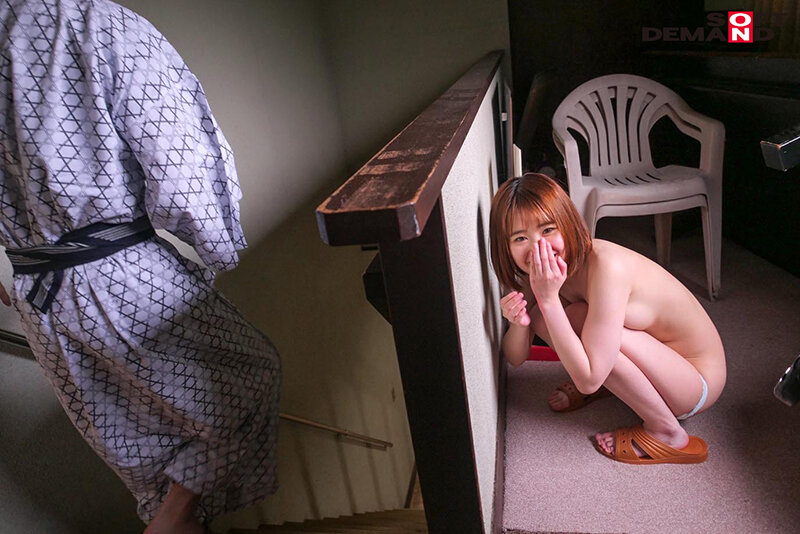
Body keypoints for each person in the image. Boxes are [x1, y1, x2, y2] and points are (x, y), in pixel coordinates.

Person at [0, 0, 281, 532]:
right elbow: (180, 162)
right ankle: (169, 523)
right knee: (250, 378)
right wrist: (219, 248)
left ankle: (171, 518)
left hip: (38, 296)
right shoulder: (95, 23)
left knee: (140, 447)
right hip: (119, 274)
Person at [489, 173, 726, 464]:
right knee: (545, 317)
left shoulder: (606, 266)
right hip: (659, 367)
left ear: (568, 223)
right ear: (505, 247)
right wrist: (518, 323)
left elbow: (587, 380)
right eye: (520, 238)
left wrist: (548, 300)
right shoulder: (538, 273)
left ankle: (666, 431)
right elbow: (515, 358)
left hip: (694, 382)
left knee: (569, 320)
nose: (538, 247)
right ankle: (612, 383)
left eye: (548, 229)